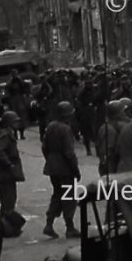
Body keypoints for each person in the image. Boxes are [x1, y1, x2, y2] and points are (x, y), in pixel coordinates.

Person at [42, 101, 81, 239]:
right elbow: (69, 153)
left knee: (57, 194)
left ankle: (49, 223)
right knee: (69, 197)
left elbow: (44, 147)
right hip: (65, 168)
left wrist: (50, 159)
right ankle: (70, 227)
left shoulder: (50, 126)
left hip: (52, 166)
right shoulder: (65, 129)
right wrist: (75, 170)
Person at [0, 111, 25, 219]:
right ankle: (5, 225)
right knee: (8, 199)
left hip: (4, 173)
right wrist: (8, 163)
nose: (17, 123)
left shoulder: (6, 132)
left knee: (8, 199)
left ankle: (4, 223)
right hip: (4, 172)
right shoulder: (5, 134)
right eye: (15, 121)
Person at [96, 100, 128, 175]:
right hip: (110, 168)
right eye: (123, 112)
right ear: (118, 114)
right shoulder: (109, 129)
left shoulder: (113, 126)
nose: (124, 114)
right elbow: (106, 153)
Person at [5, 69, 29, 140]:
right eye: (14, 74)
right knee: (14, 118)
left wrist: (19, 80)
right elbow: (7, 88)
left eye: (16, 74)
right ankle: (15, 134)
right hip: (13, 100)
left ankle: (22, 134)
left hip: (20, 99)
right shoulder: (10, 82)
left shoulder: (20, 80)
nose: (15, 75)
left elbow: (25, 86)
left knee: (22, 118)